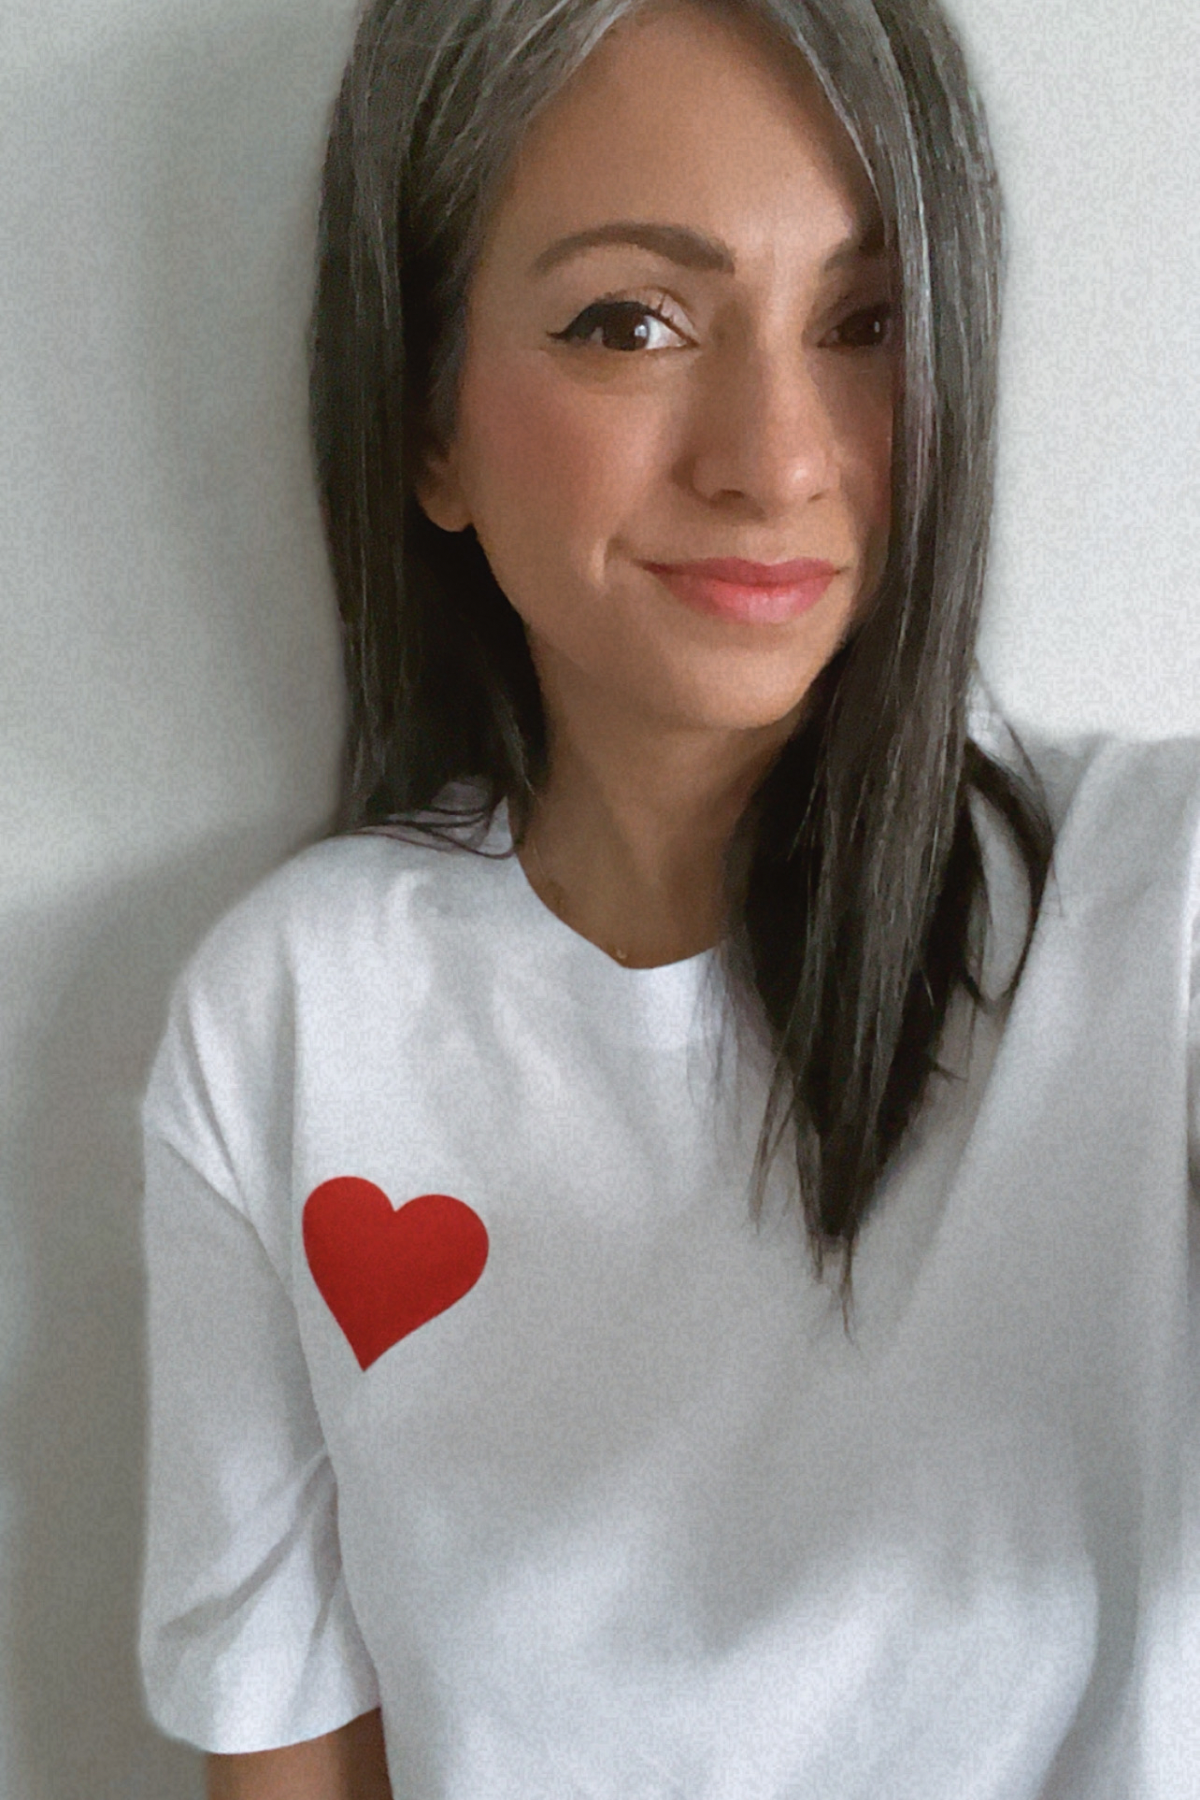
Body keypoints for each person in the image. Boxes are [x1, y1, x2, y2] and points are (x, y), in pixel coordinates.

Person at [137, 0, 1200, 1794]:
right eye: (631, 320)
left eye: (866, 323)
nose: (775, 458)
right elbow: (290, 1753)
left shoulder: (1151, 906)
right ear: (429, 425)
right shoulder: (293, 1013)